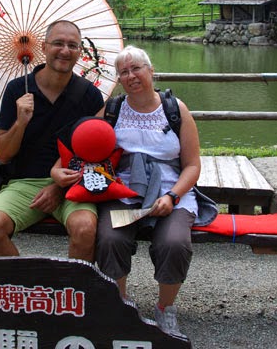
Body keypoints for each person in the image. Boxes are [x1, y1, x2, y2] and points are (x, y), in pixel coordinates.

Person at [90, 45, 216, 337]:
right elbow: (85, 142)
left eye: (137, 69)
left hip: (171, 190)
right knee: (110, 239)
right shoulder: (112, 109)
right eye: (124, 72)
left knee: (174, 243)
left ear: (151, 70)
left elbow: (192, 165)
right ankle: (119, 304)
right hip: (123, 191)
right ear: (119, 79)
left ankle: (165, 308)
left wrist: (172, 197)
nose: (131, 76)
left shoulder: (176, 109)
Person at [0, 20, 104, 262]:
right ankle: (29, 287)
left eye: (72, 45)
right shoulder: (17, 90)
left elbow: (97, 153)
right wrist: (21, 122)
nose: (65, 51)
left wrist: (58, 188)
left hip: (73, 183)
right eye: (58, 43)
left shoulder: (89, 94)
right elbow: (4, 154)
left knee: (85, 228)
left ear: (79, 53)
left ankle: (72, 293)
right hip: (25, 183)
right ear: (44, 47)